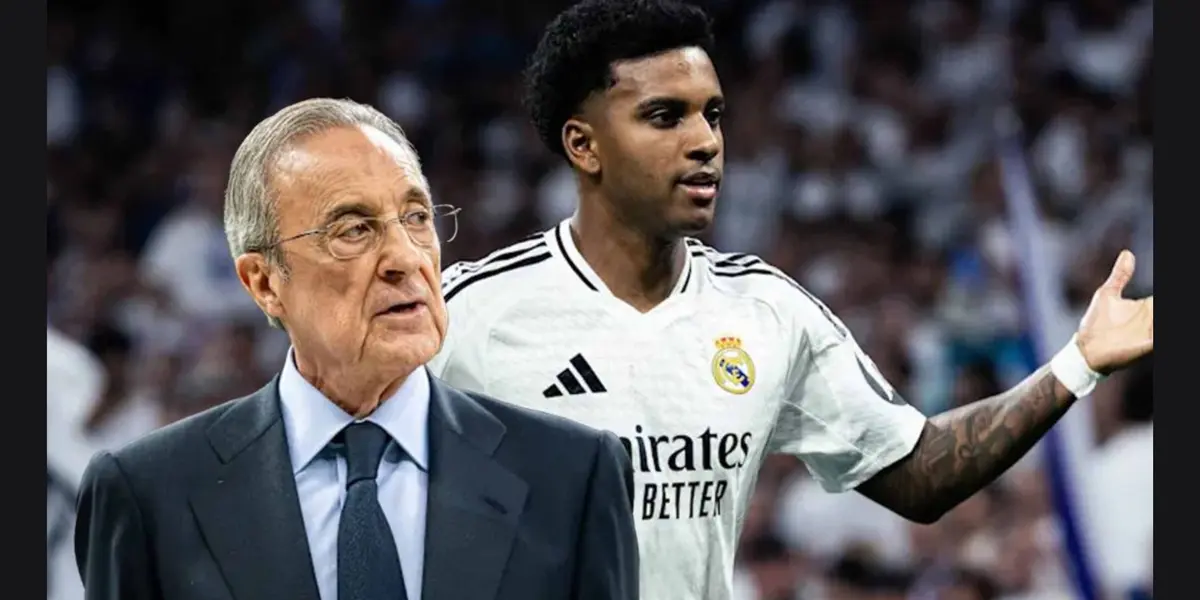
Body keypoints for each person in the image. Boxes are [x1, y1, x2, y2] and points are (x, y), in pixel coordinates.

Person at [426, 1, 1155, 598]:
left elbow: (921, 472)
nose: (706, 142)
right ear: (584, 145)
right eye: (665, 116)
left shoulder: (767, 312)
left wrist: (1078, 362)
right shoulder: (472, 314)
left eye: (713, 114)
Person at [74, 98, 640, 600]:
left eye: (416, 218)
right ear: (264, 282)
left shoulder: (572, 476)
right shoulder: (147, 495)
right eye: (353, 230)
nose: (406, 258)